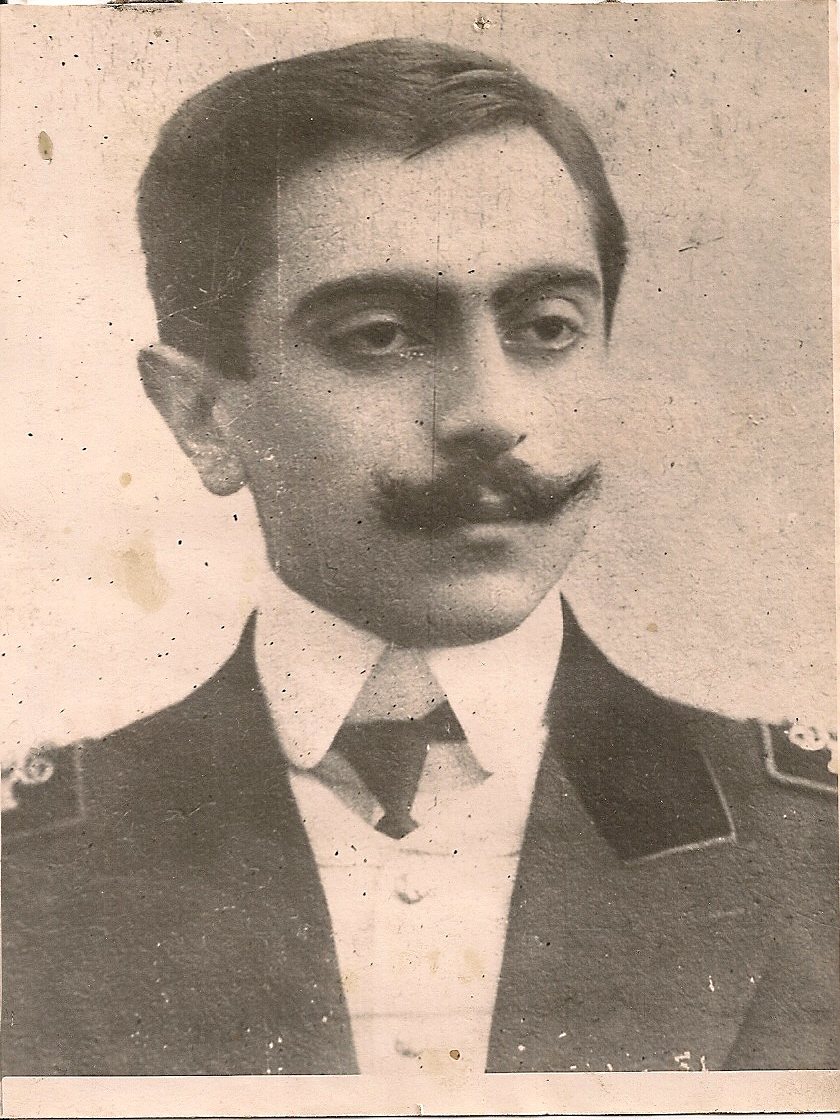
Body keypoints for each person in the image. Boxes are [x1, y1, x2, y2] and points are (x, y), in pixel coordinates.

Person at [3, 37, 837, 1077]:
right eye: (381, 336)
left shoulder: (813, 847)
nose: (489, 413)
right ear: (202, 417)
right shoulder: (28, 877)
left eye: (547, 327)